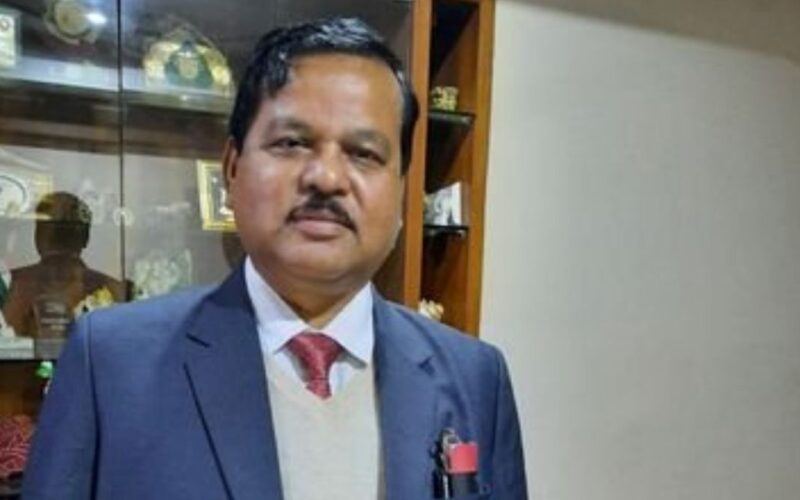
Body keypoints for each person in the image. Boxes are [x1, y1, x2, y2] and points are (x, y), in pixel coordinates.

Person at [22, 17, 527, 499]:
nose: (326, 177)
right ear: (232, 168)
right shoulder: (111, 362)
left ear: (400, 189)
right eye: (292, 143)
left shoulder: (475, 376)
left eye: (364, 153)